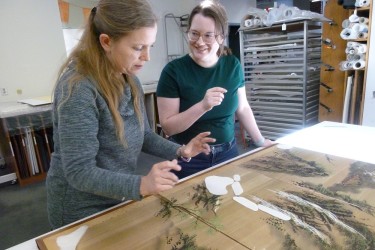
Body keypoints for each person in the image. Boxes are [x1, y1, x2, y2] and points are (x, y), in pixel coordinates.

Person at [46, 0, 215, 229]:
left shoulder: (130, 80)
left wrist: (180, 150)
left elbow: (143, 135)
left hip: (116, 195)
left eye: (150, 46)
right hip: (79, 208)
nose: (147, 57)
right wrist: (142, 185)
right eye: (138, 48)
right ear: (106, 41)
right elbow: (79, 172)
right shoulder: (78, 89)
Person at [156, 0, 273, 179]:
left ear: (220, 36)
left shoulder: (232, 65)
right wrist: (202, 106)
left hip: (228, 153)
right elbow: (168, 127)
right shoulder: (173, 71)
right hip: (188, 158)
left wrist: (260, 141)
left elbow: (242, 108)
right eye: (194, 34)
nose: (199, 42)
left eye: (208, 35)